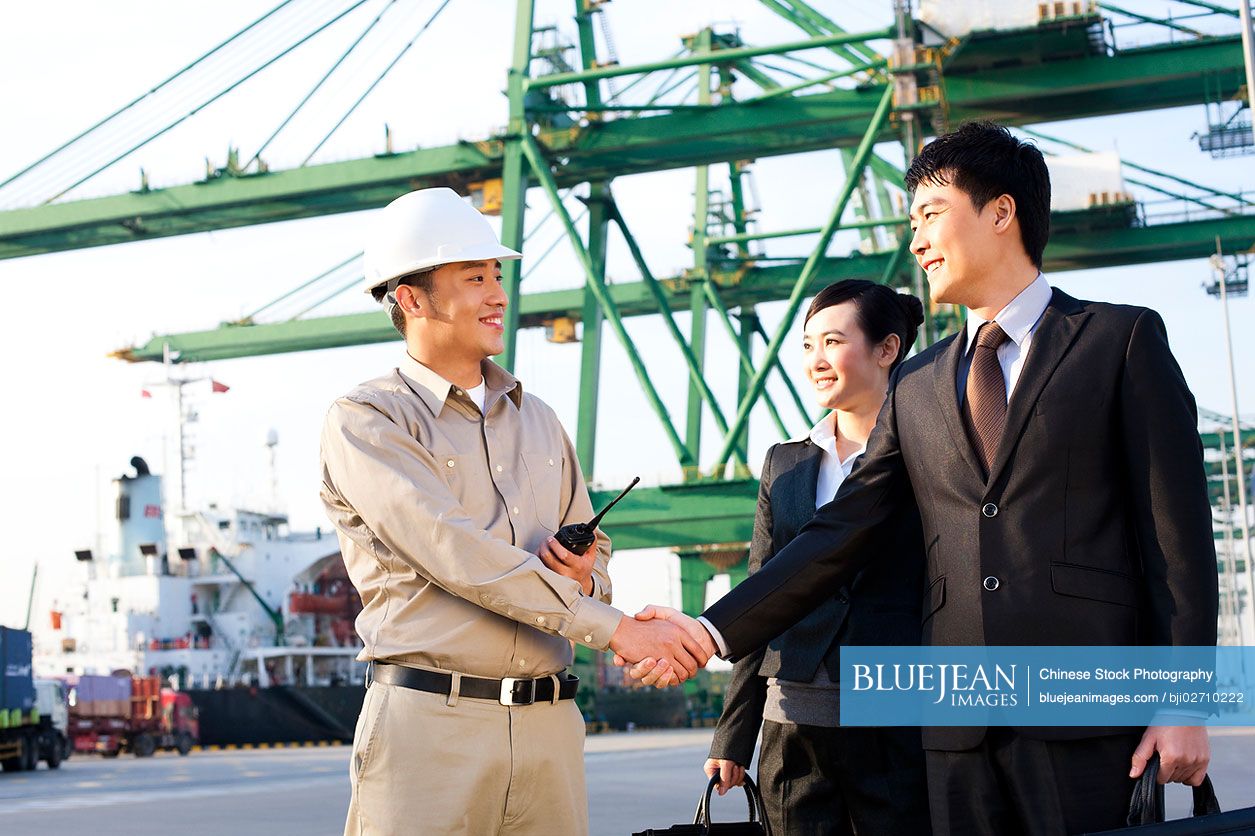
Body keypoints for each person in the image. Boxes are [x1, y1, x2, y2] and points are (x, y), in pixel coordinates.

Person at [634, 123, 1217, 835]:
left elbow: (1177, 542)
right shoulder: (915, 385)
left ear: (1000, 213)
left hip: (1088, 719)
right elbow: (838, 532)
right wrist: (707, 628)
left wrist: (1182, 702)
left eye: (930, 215)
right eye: (912, 222)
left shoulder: (1117, 340)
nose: (915, 240)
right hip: (953, 734)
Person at [320, 187, 711, 836]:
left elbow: (597, 562)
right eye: (475, 277)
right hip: (429, 729)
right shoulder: (368, 420)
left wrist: (584, 576)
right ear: (411, 299)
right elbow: (453, 551)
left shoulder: (542, 422)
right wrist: (616, 628)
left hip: (549, 730)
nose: (498, 294)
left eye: (498, 275)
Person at [705, 280, 932, 835]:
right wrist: (734, 733)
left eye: (832, 342)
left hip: (897, 719)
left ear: (887, 349)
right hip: (793, 727)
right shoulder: (783, 464)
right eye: (807, 346)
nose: (816, 360)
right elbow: (764, 590)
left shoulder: (931, 452)